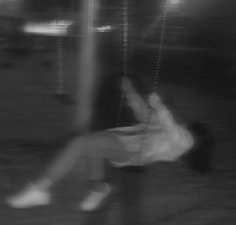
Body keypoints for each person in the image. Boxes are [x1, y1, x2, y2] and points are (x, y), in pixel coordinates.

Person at [6, 75, 207, 211]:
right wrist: (130, 93)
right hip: (127, 143)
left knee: (80, 144)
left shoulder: (186, 140)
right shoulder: (171, 126)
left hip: (133, 149)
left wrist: (161, 108)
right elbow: (144, 115)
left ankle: (41, 189)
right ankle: (98, 188)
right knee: (90, 147)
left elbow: (172, 131)